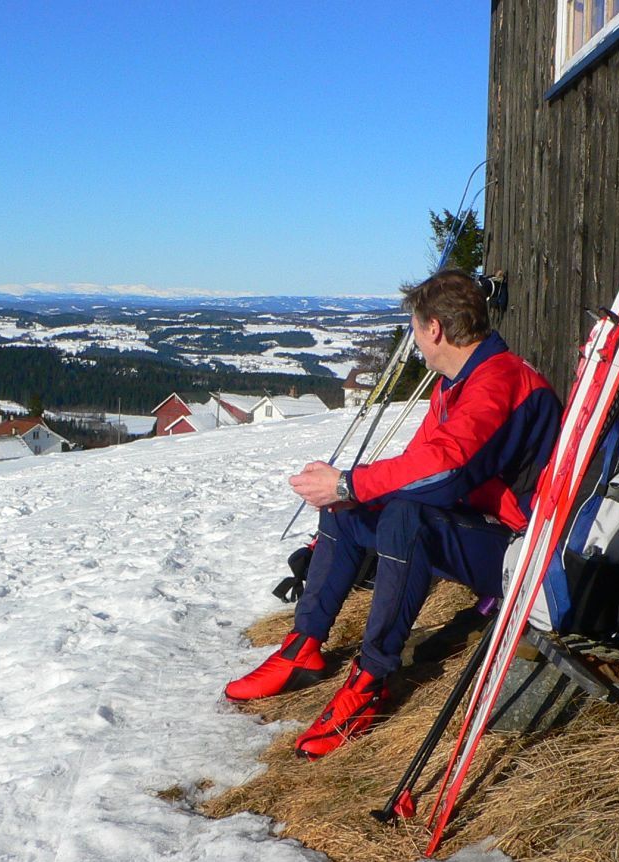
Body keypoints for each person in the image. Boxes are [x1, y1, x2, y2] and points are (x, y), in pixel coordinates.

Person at [224, 269, 562, 759]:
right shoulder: (458, 382)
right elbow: (419, 462)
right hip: (482, 528)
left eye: (416, 329)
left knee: (405, 517)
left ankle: (373, 679)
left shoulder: (498, 379)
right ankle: (304, 645)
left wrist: (349, 481)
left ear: (434, 329)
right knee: (346, 510)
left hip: (522, 550)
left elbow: (445, 471)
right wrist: (349, 492)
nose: (417, 342)